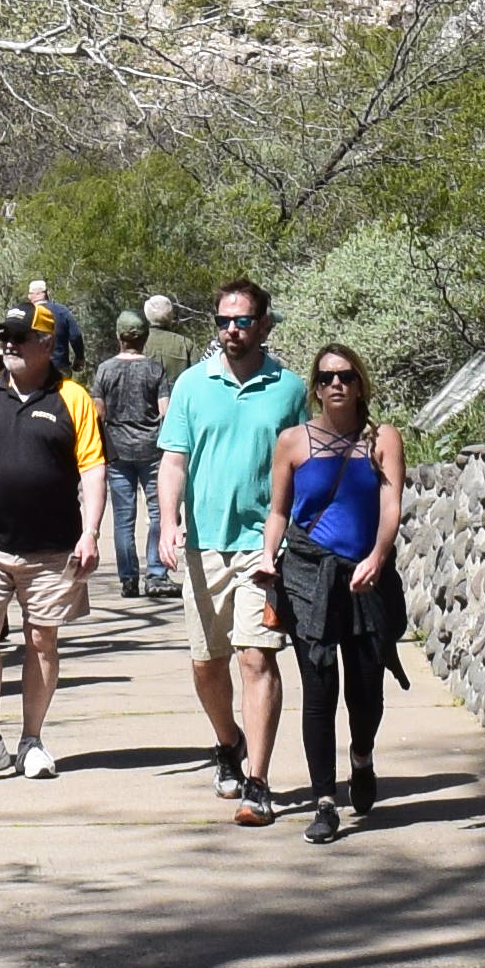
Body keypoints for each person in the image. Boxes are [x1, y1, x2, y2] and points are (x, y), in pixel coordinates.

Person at [0, 300, 107, 783]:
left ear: (47, 344)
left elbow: (94, 469)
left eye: (19, 336)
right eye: (5, 336)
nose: (8, 344)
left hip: (52, 546)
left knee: (41, 638)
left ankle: (32, 740)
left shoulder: (72, 398)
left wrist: (91, 531)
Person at [158, 280, 302, 823]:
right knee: (205, 664)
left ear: (264, 324)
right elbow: (173, 461)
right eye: (223, 321)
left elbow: (300, 465)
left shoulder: (288, 389)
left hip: (264, 548)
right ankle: (227, 742)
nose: (232, 331)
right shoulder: (193, 385)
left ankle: (259, 784)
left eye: (242, 321)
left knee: (256, 656)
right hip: (203, 546)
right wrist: (168, 524)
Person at [272, 342, 410, 838]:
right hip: (309, 576)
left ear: (359, 384)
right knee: (318, 689)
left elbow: (391, 506)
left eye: (346, 376)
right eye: (327, 377)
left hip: (365, 576)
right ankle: (325, 801)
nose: (337, 384)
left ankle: (362, 755)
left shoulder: (382, 439)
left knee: (367, 687)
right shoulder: (292, 442)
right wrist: (267, 556)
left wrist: (377, 556)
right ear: (315, 387)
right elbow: (279, 512)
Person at [91, 304, 171, 600]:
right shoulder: (154, 368)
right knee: (157, 513)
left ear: (119, 337)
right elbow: (165, 411)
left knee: (124, 517)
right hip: (151, 450)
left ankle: (128, 578)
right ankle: (156, 573)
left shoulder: (105, 370)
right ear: (144, 337)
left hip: (117, 450)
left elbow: (98, 413)